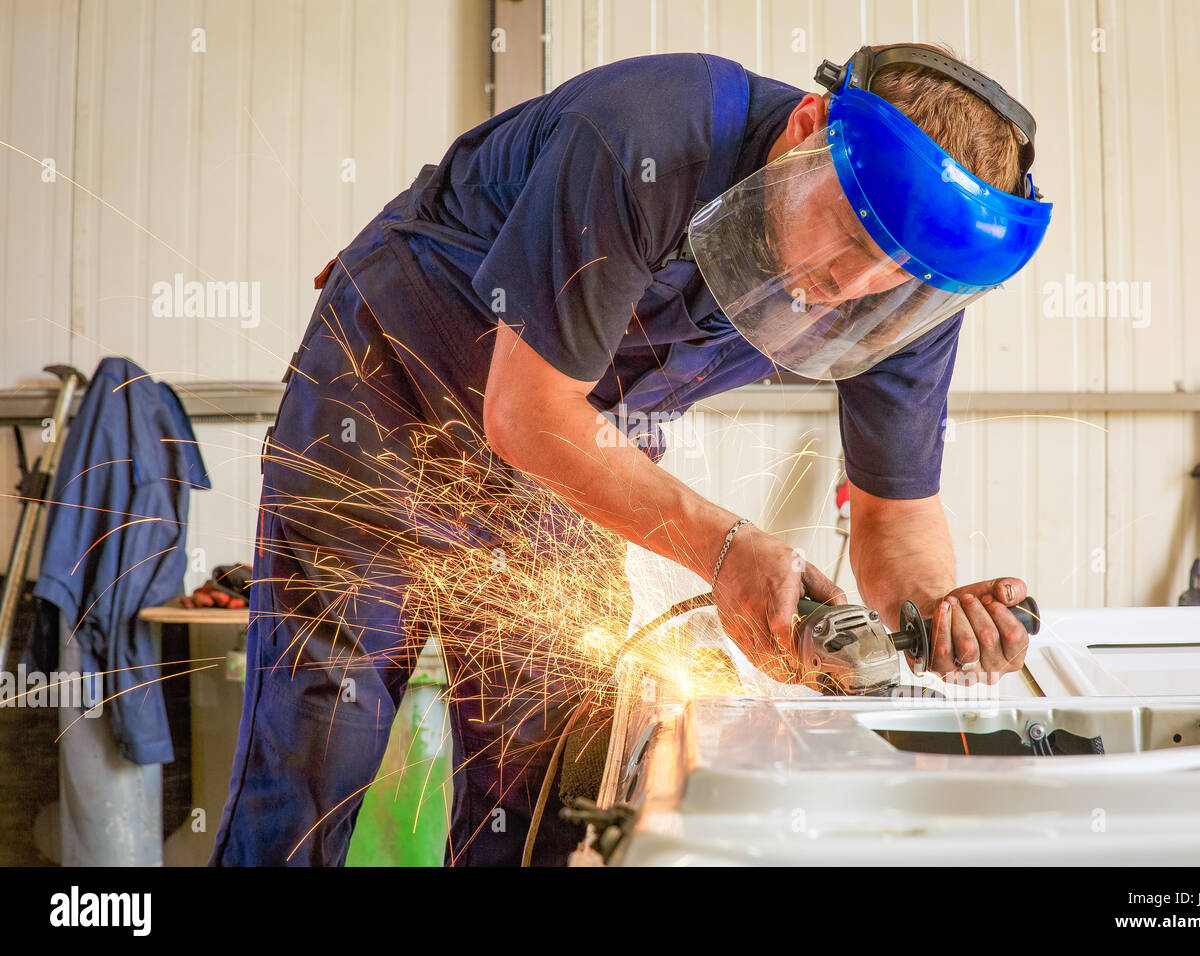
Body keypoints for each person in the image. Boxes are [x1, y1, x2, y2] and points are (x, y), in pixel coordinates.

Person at [210, 42, 1052, 867]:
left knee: (544, 762)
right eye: (848, 232)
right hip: (390, 400)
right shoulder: (649, 133)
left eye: (899, 275)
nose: (857, 284)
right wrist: (725, 549)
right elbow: (529, 410)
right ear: (808, 127)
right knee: (325, 737)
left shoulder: (910, 283)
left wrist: (937, 611)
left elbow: (894, 512)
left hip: (580, 459)